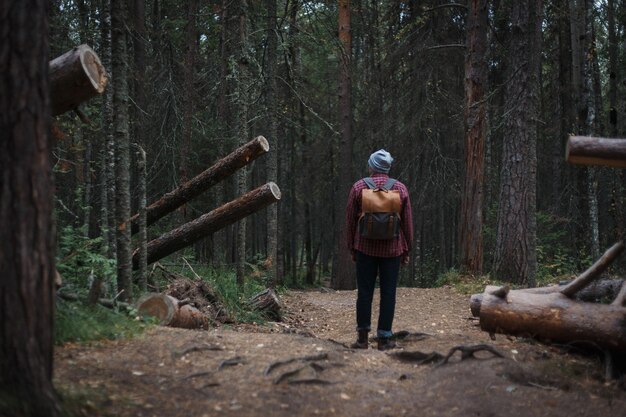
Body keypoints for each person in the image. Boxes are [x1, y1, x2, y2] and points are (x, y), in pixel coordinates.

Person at [346, 149, 413, 350]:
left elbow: (350, 220)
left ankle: (362, 339)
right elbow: (407, 223)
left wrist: (352, 247)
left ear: (371, 166)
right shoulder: (400, 188)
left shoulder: (358, 187)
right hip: (392, 250)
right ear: (388, 167)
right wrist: (406, 249)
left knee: (364, 293)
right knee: (388, 293)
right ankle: (384, 339)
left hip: (365, 249)